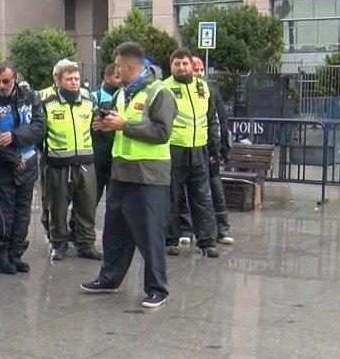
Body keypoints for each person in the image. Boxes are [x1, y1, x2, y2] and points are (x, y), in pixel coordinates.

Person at [82, 42, 177, 310]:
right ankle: (109, 278)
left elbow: (162, 132)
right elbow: (120, 124)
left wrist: (124, 125)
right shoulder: (122, 94)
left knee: (150, 236)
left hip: (149, 176)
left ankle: (157, 288)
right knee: (115, 232)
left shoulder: (160, 93)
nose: (116, 70)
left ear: (131, 65)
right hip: (121, 173)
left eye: (119, 66)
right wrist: (105, 125)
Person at [0, 63, 45, 273]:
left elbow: (40, 128)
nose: (2, 85)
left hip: (27, 166)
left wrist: (15, 136)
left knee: (22, 214)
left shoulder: (30, 98)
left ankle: (15, 255)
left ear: (15, 78)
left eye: (6, 81)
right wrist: (13, 157)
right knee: (1, 216)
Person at [41, 59, 102, 261]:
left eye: (76, 78)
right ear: (58, 81)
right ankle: (59, 244)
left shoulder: (88, 100)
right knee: (57, 208)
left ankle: (86, 244)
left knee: (86, 207)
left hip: (85, 164)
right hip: (58, 165)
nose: (74, 82)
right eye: (69, 79)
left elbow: (98, 123)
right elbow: (40, 132)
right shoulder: (47, 103)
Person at [163, 49, 220, 259]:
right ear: (171, 66)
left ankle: (207, 242)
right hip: (174, 150)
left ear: (191, 65)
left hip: (199, 149)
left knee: (202, 198)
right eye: (177, 64)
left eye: (184, 63)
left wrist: (215, 149)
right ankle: (170, 239)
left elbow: (212, 119)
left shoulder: (203, 87)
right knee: (172, 197)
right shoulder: (164, 88)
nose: (181, 67)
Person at [191, 56, 234, 245]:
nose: (199, 73)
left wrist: (221, 151)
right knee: (194, 194)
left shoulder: (211, 92)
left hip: (210, 152)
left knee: (216, 191)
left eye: (201, 70)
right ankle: (188, 231)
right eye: (196, 70)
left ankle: (222, 229)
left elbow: (220, 123)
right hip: (193, 151)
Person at [92, 64, 123, 199]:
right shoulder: (95, 96)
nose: (120, 80)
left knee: (114, 203)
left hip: (115, 159)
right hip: (97, 158)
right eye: (116, 77)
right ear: (106, 78)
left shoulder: (124, 96)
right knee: (91, 200)